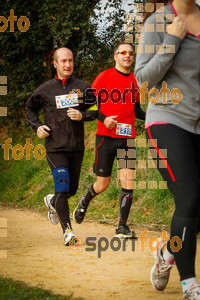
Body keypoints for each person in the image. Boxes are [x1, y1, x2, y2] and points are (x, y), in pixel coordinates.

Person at [135, 0, 200, 298]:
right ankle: (189, 284)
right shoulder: (158, 23)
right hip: (167, 118)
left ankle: (167, 253)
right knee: (189, 197)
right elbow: (143, 78)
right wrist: (172, 40)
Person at [25, 47, 100, 246]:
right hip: (55, 147)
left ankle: (52, 201)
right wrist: (37, 126)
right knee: (62, 183)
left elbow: (96, 110)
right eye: (63, 61)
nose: (68, 65)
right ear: (55, 64)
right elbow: (29, 108)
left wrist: (82, 115)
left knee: (71, 190)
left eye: (71, 61)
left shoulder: (83, 87)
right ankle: (68, 231)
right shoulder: (45, 89)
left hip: (76, 148)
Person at [73, 41, 145, 238]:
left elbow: (136, 110)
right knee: (102, 183)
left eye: (130, 53)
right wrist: (104, 119)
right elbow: (87, 105)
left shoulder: (134, 81)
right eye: (123, 52)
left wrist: (153, 116)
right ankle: (84, 201)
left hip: (127, 138)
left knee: (128, 180)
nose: (127, 56)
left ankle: (122, 226)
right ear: (115, 56)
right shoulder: (104, 77)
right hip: (105, 137)